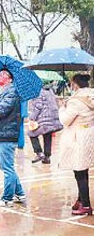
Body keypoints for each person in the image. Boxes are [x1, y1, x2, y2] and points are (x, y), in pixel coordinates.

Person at [0, 69, 26, 207]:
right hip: (0, 134)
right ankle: (19, 193)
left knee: (7, 168)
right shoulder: (1, 92)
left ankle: (7, 199)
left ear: (10, 79)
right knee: (5, 166)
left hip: (7, 135)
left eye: (3, 74)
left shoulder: (11, 93)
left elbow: (1, 111)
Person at [58, 74, 94, 215]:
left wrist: (62, 108)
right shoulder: (91, 96)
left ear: (75, 84)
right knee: (82, 168)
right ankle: (81, 199)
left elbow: (65, 120)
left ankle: (85, 205)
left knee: (79, 171)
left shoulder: (75, 101)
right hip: (89, 134)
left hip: (77, 137)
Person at [27, 81, 63, 164]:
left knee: (31, 133)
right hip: (52, 118)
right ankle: (47, 157)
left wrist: (32, 118)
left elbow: (38, 107)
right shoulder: (49, 90)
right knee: (47, 136)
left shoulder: (37, 92)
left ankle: (39, 153)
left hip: (44, 118)